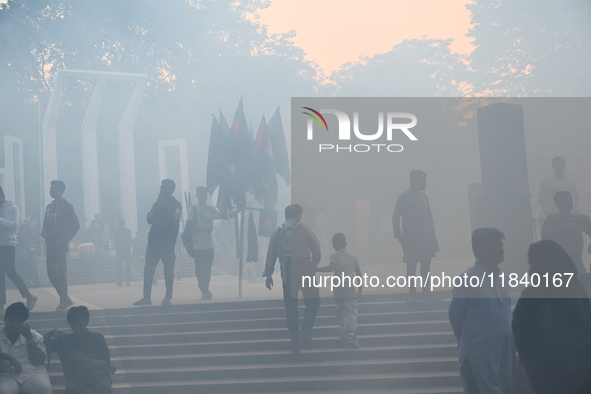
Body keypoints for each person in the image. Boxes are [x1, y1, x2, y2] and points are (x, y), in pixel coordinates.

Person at [512, 240, 591, 394]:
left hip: (553, 377)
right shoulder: (575, 289)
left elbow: (520, 335)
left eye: (533, 262)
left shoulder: (533, 295)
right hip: (574, 374)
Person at [448, 228, 516, 394]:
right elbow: (455, 315)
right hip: (478, 354)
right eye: (496, 246)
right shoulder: (468, 279)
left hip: (504, 351)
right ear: (480, 250)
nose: (502, 250)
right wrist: (469, 341)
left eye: (501, 245)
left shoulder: (502, 277)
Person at [263, 204, 321, 357]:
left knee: (291, 306)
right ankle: (306, 331)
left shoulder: (278, 231)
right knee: (313, 301)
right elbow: (316, 246)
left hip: (287, 269)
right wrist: (315, 262)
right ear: (299, 215)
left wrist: (268, 274)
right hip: (304, 266)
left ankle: (295, 341)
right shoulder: (304, 228)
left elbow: (271, 254)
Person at [44, 306, 114, 394]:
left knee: (104, 387)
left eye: (80, 326)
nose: (77, 330)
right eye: (73, 326)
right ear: (70, 325)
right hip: (75, 377)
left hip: (98, 376)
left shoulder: (97, 338)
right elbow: (40, 343)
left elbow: (105, 363)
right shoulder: (64, 340)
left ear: (87, 322)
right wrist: (53, 332)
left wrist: (86, 360)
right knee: (73, 389)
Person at [133, 179, 182, 307]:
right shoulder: (157, 204)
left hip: (167, 243)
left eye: (164, 187)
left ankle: (167, 297)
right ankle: (146, 297)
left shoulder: (176, 205)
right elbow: (149, 219)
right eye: (161, 187)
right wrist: (159, 207)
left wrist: (163, 207)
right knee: (148, 271)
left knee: (168, 271)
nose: (161, 189)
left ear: (171, 190)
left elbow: (173, 221)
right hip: (154, 243)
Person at [392, 170, 439, 295]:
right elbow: (395, 216)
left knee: (426, 269)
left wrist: (431, 229)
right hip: (410, 239)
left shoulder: (424, 197)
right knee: (411, 268)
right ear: (416, 181)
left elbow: (429, 215)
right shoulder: (403, 197)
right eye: (424, 180)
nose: (426, 183)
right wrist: (399, 236)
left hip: (426, 237)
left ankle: (426, 293)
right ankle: (412, 294)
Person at [316, 233, 362, 349]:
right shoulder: (353, 258)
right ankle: (351, 335)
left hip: (337, 286)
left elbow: (332, 267)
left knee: (340, 308)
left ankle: (342, 331)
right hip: (349, 286)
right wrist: (360, 290)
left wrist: (317, 269)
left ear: (333, 245)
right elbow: (359, 275)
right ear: (346, 244)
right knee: (351, 310)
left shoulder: (334, 257)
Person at [41, 180, 80, 311]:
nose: (50, 191)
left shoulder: (67, 206)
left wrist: (66, 239)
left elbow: (76, 225)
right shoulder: (49, 207)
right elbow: (45, 223)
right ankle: (66, 298)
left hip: (60, 244)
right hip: (50, 244)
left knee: (61, 273)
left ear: (59, 191)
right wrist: (44, 231)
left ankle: (63, 301)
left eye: (52, 189)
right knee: (51, 273)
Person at [0, 302, 52, 394]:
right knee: (3, 391)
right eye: (11, 320)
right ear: (5, 319)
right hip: (6, 375)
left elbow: (38, 362)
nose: (14, 325)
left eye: (18, 322)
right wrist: (9, 357)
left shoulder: (34, 335)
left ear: (23, 322)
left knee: (44, 388)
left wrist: (29, 338)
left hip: (32, 373)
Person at [0, 188, 37, 312]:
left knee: (10, 272)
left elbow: (14, 226)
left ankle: (29, 296)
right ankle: (0, 304)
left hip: (8, 244)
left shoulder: (13, 208)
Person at [186, 186, 224, 300]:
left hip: (209, 245)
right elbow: (189, 225)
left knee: (207, 269)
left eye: (205, 194)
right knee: (199, 269)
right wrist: (204, 230)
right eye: (201, 194)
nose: (203, 196)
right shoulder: (193, 210)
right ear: (197, 195)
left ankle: (205, 289)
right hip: (197, 246)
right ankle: (204, 289)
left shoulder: (210, 209)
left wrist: (236, 210)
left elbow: (223, 215)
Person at [541, 190, 591, 275]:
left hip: (576, 261)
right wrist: (565, 228)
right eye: (567, 200)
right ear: (558, 203)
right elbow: (545, 235)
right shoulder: (551, 218)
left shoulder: (579, 218)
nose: (570, 202)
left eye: (571, 199)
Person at [112, 219, 132, 287]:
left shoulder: (116, 232)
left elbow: (116, 242)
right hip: (127, 251)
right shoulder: (128, 231)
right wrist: (126, 250)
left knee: (119, 267)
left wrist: (120, 251)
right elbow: (129, 242)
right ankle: (128, 282)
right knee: (128, 267)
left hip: (119, 251)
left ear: (118, 223)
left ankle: (120, 282)